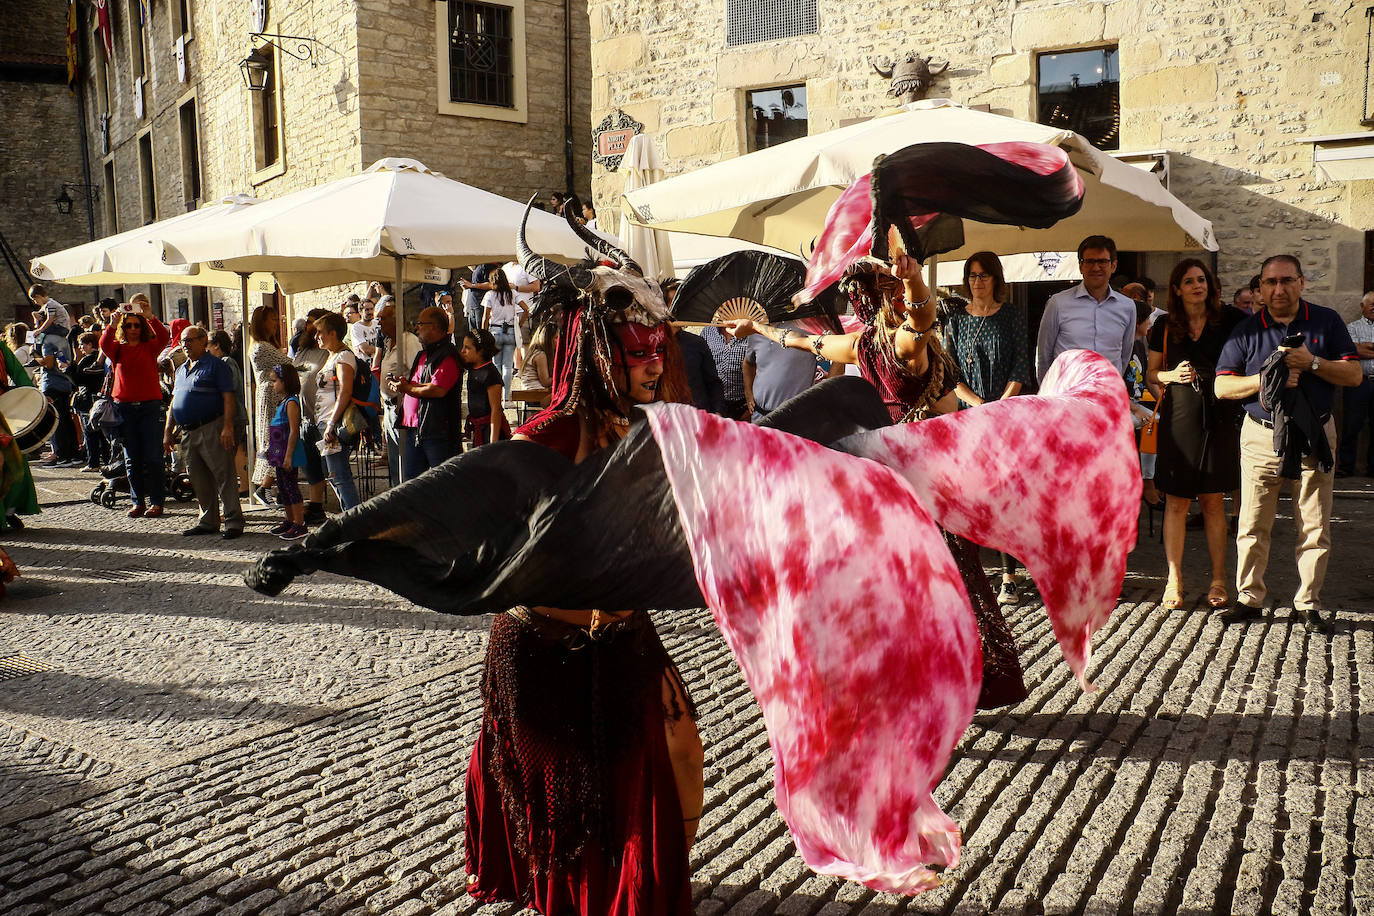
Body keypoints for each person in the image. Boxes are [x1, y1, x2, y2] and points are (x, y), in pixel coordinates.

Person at [726, 251, 1027, 709]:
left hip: (905, 476)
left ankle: (938, 676)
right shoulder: (895, 344)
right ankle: (936, 677)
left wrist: (758, 330)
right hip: (921, 479)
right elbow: (912, 321)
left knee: (932, 580)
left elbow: (806, 342)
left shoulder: (870, 344)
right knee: (938, 580)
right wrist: (915, 284)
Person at [1215, 254, 1363, 629]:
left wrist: (1312, 363)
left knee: (1314, 524)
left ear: (1301, 283)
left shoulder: (1326, 321)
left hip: (1315, 434)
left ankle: (1308, 603)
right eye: (1270, 282)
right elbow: (1221, 385)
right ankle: (1249, 597)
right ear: (1260, 288)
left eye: (1286, 280)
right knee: (1252, 523)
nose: (1278, 289)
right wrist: (1267, 378)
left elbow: (1354, 375)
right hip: (1262, 437)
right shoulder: (1247, 330)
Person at [1146, 259, 1246, 610]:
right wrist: (1169, 376)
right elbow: (1151, 375)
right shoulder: (1162, 325)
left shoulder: (1231, 320)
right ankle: (1174, 578)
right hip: (1179, 417)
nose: (1196, 285)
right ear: (1177, 288)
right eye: (1188, 281)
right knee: (1175, 501)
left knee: (1213, 500)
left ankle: (1219, 578)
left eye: (1201, 279)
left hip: (1219, 415)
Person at [943, 251, 1032, 606]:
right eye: (972, 275)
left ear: (996, 278)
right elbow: (949, 375)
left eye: (984, 275)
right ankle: (971, 574)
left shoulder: (1012, 316)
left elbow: (1021, 366)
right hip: (967, 417)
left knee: (1004, 496)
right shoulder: (955, 322)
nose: (977, 281)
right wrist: (978, 406)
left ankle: (1010, 577)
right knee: (968, 497)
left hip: (1005, 415)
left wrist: (998, 408)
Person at [164, 326, 243, 539]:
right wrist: (167, 431)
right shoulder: (181, 370)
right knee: (198, 478)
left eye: (189, 340)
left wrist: (227, 426)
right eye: (183, 341)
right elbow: (174, 402)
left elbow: (229, 398)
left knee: (223, 475)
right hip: (188, 431)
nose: (185, 345)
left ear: (203, 341)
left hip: (212, 426)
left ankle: (233, 521)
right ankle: (208, 520)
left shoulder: (217, 366)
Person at [1036, 235, 1138, 381]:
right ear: (1080, 266)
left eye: (1102, 261)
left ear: (1113, 266)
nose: (1096, 267)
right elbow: (1043, 355)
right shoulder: (1058, 303)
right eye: (1089, 261)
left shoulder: (1127, 307)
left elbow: (1124, 355)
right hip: (1067, 395)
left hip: (1107, 395)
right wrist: (1048, 393)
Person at [396, 306, 463, 476]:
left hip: (437, 431)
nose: (416, 327)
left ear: (434, 326)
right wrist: (404, 385)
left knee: (441, 483)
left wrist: (407, 388)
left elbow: (437, 390)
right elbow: (419, 384)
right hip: (415, 428)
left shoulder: (448, 355)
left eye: (420, 324)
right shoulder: (423, 354)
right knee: (411, 483)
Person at [312, 311, 362, 512]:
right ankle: (350, 518)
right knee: (334, 476)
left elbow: (346, 391)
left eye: (320, 332)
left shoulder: (344, 356)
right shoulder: (332, 356)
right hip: (325, 423)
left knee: (340, 476)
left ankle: (356, 520)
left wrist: (331, 423)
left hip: (334, 424)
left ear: (333, 333)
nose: (316, 337)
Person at [374, 300, 423, 488]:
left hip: (402, 407)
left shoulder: (408, 342)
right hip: (389, 408)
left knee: (405, 462)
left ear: (396, 321)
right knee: (395, 462)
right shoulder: (389, 343)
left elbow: (417, 374)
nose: (379, 322)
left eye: (383, 318)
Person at [293, 309, 333, 522]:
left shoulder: (328, 352)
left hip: (324, 418)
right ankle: (316, 505)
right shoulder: (302, 349)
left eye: (311, 323)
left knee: (330, 465)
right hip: (305, 417)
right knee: (310, 465)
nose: (307, 327)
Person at [248, 305, 290, 497]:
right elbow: (290, 365)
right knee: (275, 439)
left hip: (270, 394)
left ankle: (269, 487)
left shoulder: (262, 345)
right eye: (272, 319)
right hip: (270, 396)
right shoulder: (262, 347)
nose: (276, 322)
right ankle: (267, 488)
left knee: (276, 439)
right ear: (262, 323)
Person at [743, 317, 820, 420]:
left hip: (796, 418)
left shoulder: (805, 326)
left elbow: (837, 358)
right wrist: (748, 393)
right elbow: (748, 363)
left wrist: (823, 394)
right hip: (760, 415)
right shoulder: (755, 331)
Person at [264, 364, 308, 540]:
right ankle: (289, 520)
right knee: (282, 487)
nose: (272, 385)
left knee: (291, 487)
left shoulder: (291, 403)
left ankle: (299, 523)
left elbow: (293, 431)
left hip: (287, 454)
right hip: (279, 454)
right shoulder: (282, 402)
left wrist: (288, 455)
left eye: (274, 381)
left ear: (285, 381)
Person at [32, 311, 79, 467]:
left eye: (38, 324)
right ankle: (73, 454)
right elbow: (64, 360)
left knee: (55, 421)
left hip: (52, 384)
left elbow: (49, 363)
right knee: (66, 419)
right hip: (65, 383)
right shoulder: (62, 338)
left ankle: (62, 455)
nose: (36, 328)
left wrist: (35, 357)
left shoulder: (47, 340)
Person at [1336, 291, 1374, 477]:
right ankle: (1346, 466)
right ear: (1362, 307)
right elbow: (1350, 351)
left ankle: (1372, 468)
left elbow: (1362, 350)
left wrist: (1364, 347)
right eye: (1371, 304)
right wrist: (1358, 349)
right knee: (1352, 425)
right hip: (1359, 382)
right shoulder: (1352, 327)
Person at [209, 330, 251, 496]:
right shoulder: (223, 362)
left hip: (232, 417)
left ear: (217, 344)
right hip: (231, 417)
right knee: (232, 456)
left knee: (226, 459)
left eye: (208, 343)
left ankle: (233, 493)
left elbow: (229, 390)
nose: (206, 348)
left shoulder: (226, 362)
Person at [481, 270, 527, 398]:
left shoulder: (490, 295)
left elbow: (485, 317)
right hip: (511, 330)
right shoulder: (512, 293)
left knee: (496, 365)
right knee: (508, 366)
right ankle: (506, 397)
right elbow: (526, 309)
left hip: (495, 330)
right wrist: (520, 324)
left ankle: (497, 396)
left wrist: (483, 335)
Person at [460, 328, 507, 447]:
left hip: (490, 431)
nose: (463, 351)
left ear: (481, 351)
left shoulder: (491, 374)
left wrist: (493, 443)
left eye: (467, 348)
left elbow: (496, 409)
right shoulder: (472, 368)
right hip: (479, 429)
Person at [74, 332, 112, 473]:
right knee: (103, 434)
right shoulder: (103, 359)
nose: (80, 347)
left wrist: (68, 367)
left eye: (82, 344)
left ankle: (93, 463)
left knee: (90, 433)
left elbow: (78, 380)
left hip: (88, 400)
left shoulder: (87, 360)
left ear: (90, 344)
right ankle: (108, 461)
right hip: (100, 398)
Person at [701, 324, 750, 418]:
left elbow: (759, 367)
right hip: (714, 405)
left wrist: (750, 407)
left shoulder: (750, 332)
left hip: (743, 404)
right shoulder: (707, 331)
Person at [515, 320, 554, 407]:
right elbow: (545, 382)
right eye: (555, 338)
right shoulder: (540, 355)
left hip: (533, 392)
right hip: (535, 393)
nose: (557, 341)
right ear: (547, 340)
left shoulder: (534, 352)